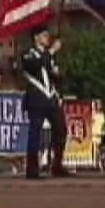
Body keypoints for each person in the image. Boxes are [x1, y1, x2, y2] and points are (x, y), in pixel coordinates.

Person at [19, 24, 68, 179]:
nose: (47, 38)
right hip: (37, 97)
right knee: (35, 134)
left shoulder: (48, 56)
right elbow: (33, 66)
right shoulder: (28, 54)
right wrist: (51, 51)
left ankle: (57, 164)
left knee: (61, 129)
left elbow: (54, 73)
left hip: (51, 98)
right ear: (36, 38)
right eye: (44, 35)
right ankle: (32, 169)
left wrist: (58, 73)